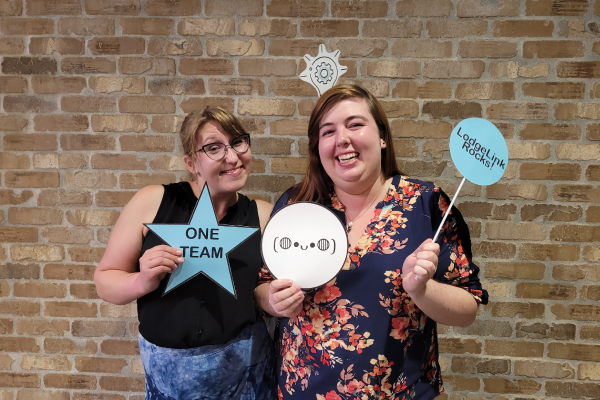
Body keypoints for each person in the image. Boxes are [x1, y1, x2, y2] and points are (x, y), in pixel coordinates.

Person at [255, 85, 488, 400]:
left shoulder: (425, 204)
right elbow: (262, 285)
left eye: (355, 124)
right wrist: (273, 300)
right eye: (328, 131)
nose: (342, 139)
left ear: (382, 137)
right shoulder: (297, 204)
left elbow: (467, 309)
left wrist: (422, 289)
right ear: (317, 147)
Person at [95, 107, 276, 400]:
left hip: (247, 377)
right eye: (214, 148)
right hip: (170, 381)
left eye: (239, 142)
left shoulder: (264, 216)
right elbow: (105, 280)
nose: (232, 157)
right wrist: (141, 281)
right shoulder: (152, 202)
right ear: (191, 162)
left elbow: (263, 291)